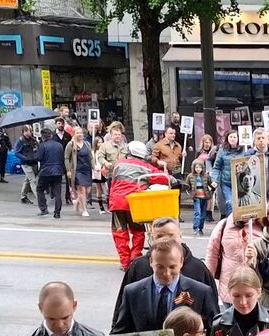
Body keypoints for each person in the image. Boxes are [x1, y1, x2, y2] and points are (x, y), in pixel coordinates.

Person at [113, 237, 219, 336]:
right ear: (151, 262)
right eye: (160, 267)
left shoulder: (201, 292)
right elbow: (121, 334)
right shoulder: (133, 292)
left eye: (172, 267)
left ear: (181, 262)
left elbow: (212, 335)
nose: (166, 273)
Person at [115, 217, 217, 323]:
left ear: (180, 236)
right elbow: (122, 314)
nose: (166, 274)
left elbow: (212, 318)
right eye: (159, 236)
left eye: (171, 235)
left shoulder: (198, 269)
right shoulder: (138, 267)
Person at [108, 141, 172, 269]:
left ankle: (125, 262)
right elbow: (163, 178)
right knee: (138, 231)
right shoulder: (145, 167)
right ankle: (135, 256)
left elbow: (113, 181)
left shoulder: (118, 164)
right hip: (135, 202)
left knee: (120, 232)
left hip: (118, 202)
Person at [206, 209, 263, 305]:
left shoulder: (263, 225)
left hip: (255, 291)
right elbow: (212, 255)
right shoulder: (224, 225)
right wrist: (208, 283)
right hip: (229, 290)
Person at [212, 130, 249, 210]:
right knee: (230, 202)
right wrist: (214, 180)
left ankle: (238, 221)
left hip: (240, 183)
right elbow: (216, 167)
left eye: (234, 137)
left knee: (240, 204)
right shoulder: (222, 151)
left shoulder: (244, 150)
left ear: (238, 138)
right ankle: (231, 220)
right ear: (227, 138)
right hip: (226, 182)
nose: (232, 139)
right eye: (230, 137)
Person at [35, 127, 67, 219]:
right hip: (57, 171)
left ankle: (44, 209)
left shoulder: (42, 145)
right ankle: (57, 212)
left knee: (40, 189)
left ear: (43, 137)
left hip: (45, 171)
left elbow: (39, 157)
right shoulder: (59, 145)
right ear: (51, 135)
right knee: (58, 193)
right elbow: (62, 158)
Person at [65, 128, 95, 218]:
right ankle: (84, 210)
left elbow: (91, 157)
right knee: (81, 190)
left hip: (87, 169)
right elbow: (66, 157)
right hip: (77, 170)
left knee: (87, 191)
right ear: (74, 134)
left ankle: (77, 201)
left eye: (81, 133)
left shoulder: (87, 144)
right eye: (77, 133)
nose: (79, 134)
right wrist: (68, 170)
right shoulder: (71, 144)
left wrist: (94, 167)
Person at [13, 125, 40, 206]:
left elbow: (37, 149)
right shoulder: (20, 141)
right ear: (24, 132)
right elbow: (16, 152)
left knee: (28, 179)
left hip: (34, 162)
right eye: (28, 131)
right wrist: (25, 158)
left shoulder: (33, 140)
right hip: (26, 164)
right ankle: (39, 198)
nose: (30, 132)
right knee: (33, 180)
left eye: (30, 131)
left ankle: (23, 196)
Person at [188, 159, 213, 235]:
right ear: (193, 168)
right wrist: (190, 193)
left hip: (204, 197)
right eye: (196, 167)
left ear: (202, 168)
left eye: (200, 167)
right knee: (197, 213)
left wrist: (212, 189)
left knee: (203, 214)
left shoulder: (206, 176)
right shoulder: (190, 176)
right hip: (196, 197)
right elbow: (187, 186)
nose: (198, 169)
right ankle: (196, 228)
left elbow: (210, 184)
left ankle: (200, 228)